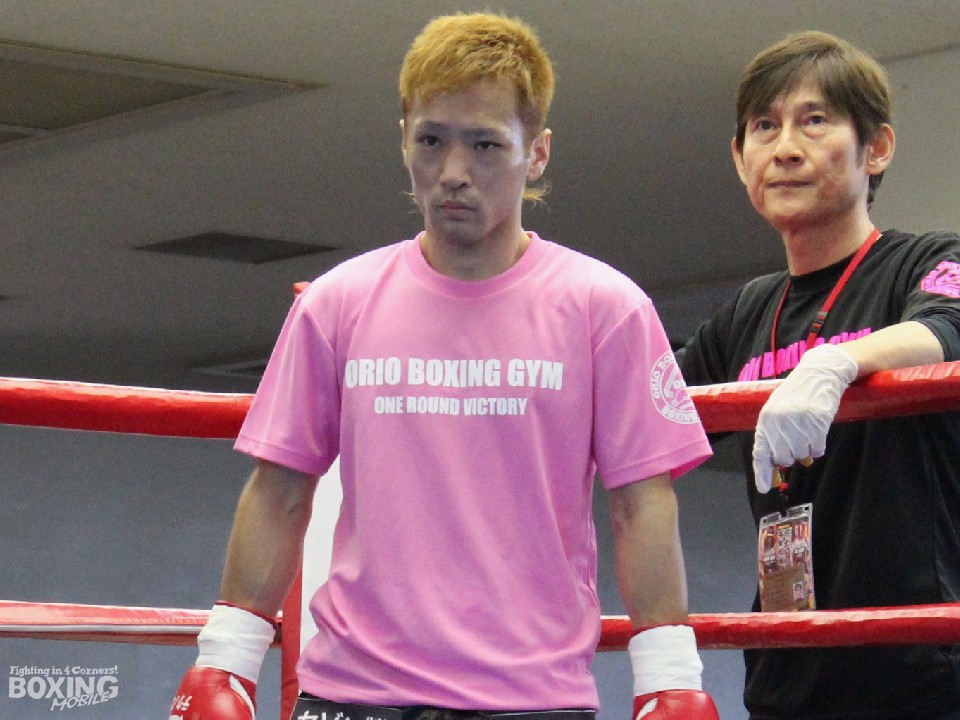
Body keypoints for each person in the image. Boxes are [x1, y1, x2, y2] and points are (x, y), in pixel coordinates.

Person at [170, 12, 720, 720]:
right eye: (432, 140)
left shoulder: (605, 309)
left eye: (485, 145)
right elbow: (278, 491)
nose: (454, 173)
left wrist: (670, 679)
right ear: (404, 138)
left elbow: (642, 503)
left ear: (537, 153)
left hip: (528, 700)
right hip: (352, 695)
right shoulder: (339, 303)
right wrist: (225, 661)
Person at [677, 30, 960, 719]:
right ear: (740, 158)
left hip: (923, 680)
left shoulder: (923, 260)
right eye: (764, 127)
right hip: (787, 681)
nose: (785, 148)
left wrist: (840, 362)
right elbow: (646, 414)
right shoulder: (748, 310)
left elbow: (949, 324)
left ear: (876, 148)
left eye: (814, 121)